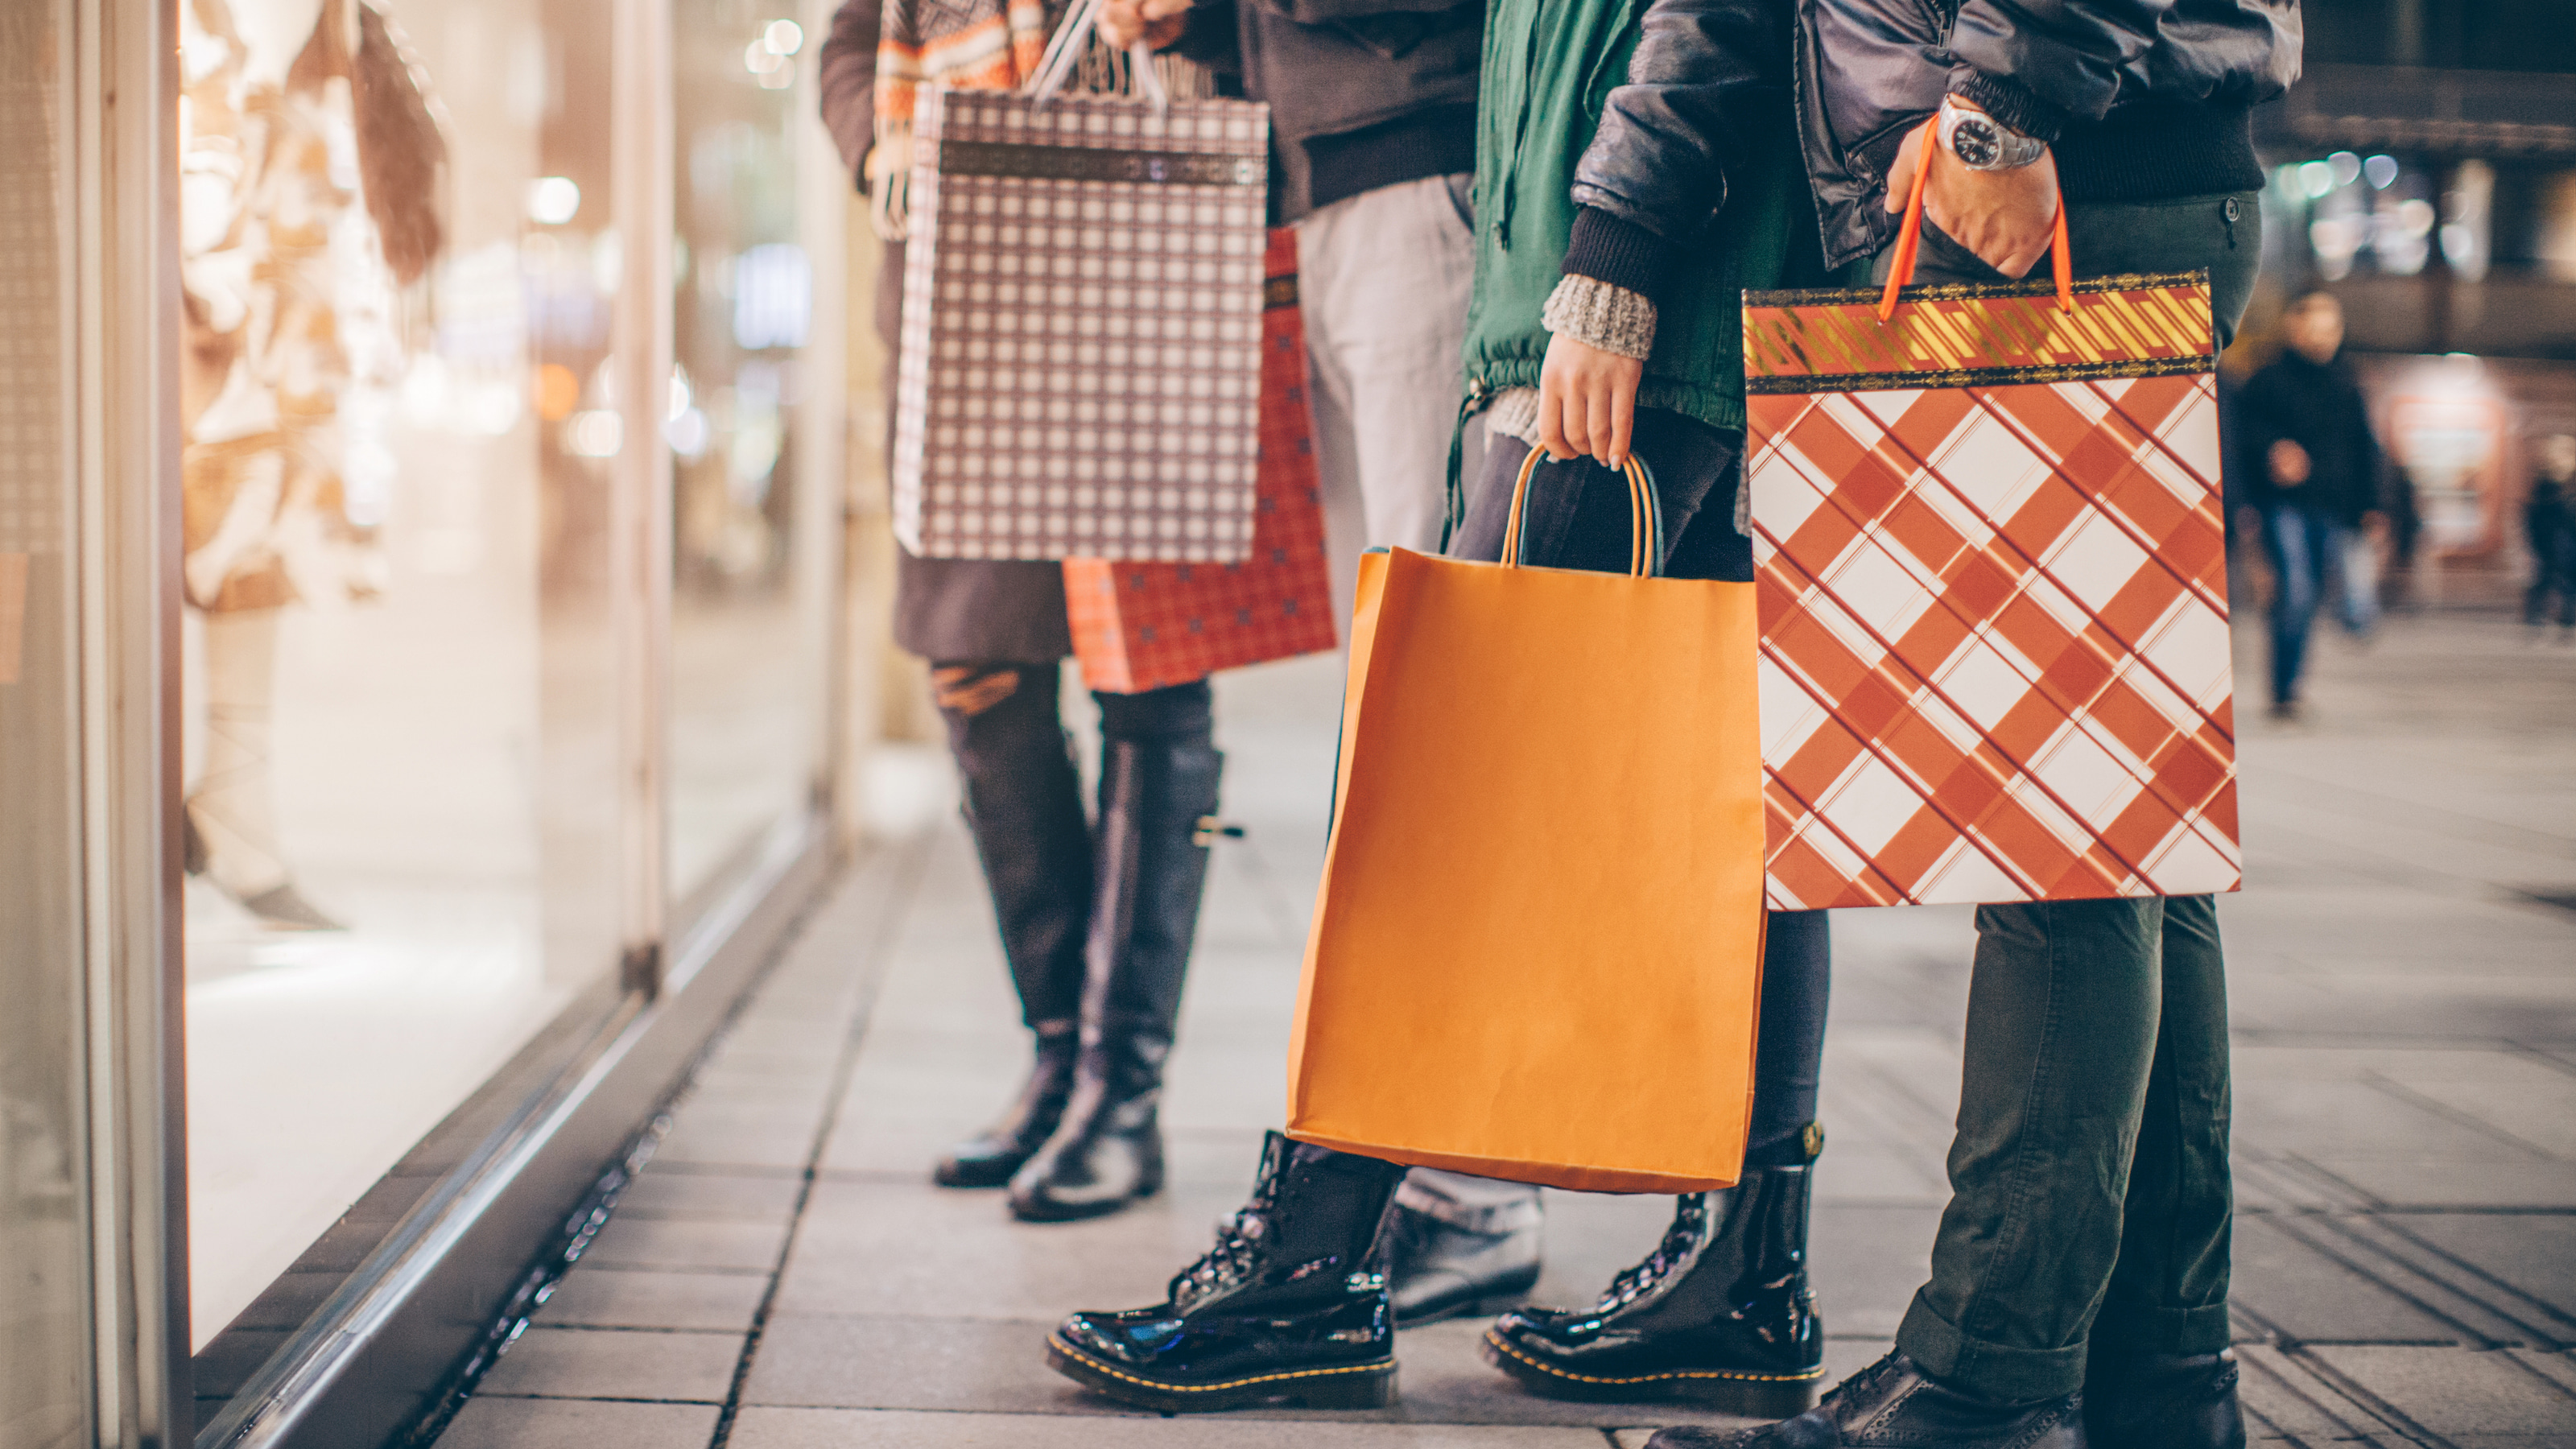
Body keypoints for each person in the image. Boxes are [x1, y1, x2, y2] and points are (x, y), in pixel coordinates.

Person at [1038, 0, 1839, 1416]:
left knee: (1445, 767)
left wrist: (1609, 270)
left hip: (1643, 300)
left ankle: (1309, 1262)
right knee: (1747, 787)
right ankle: (1746, 1269)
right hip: (1629, 285)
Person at [1642, 3, 2295, 1448]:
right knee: (2117, 832)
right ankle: (2162, 1370)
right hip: (2114, 153)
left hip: (2058, 163)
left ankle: (1990, 1371)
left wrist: (2004, 108)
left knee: (2056, 827)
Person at [1102, 0, 1563, 1323]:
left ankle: (1468, 1190)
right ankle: (1428, 1174)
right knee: (1412, 682)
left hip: (1418, 163)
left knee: (1437, 694)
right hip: (1347, 176)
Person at [822, 2, 1227, 1225]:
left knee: (1147, 679)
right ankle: (1059, 1046)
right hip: (956, 284)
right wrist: (871, 141)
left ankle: (1120, 1090)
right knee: (976, 673)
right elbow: (850, 41)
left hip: (1137, 259)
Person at [2240, 290, 2386, 720]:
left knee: (2314, 593)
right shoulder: (2267, 379)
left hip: (2332, 506)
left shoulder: (2347, 380)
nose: (2325, 337)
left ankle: (2292, 683)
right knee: (2296, 590)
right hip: (2282, 504)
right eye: (2316, 327)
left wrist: (2373, 507)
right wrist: (2272, 449)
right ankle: (2284, 690)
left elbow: (2364, 448)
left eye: (2332, 328)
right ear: (2294, 326)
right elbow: (2241, 436)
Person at [2524, 434, 2576, 637]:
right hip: (2551, 541)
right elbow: (2537, 517)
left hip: (2566, 540)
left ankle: (2566, 617)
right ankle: (2538, 615)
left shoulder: (2567, 484)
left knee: (2566, 580)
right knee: (2545, 578)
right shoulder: (2546, 485)